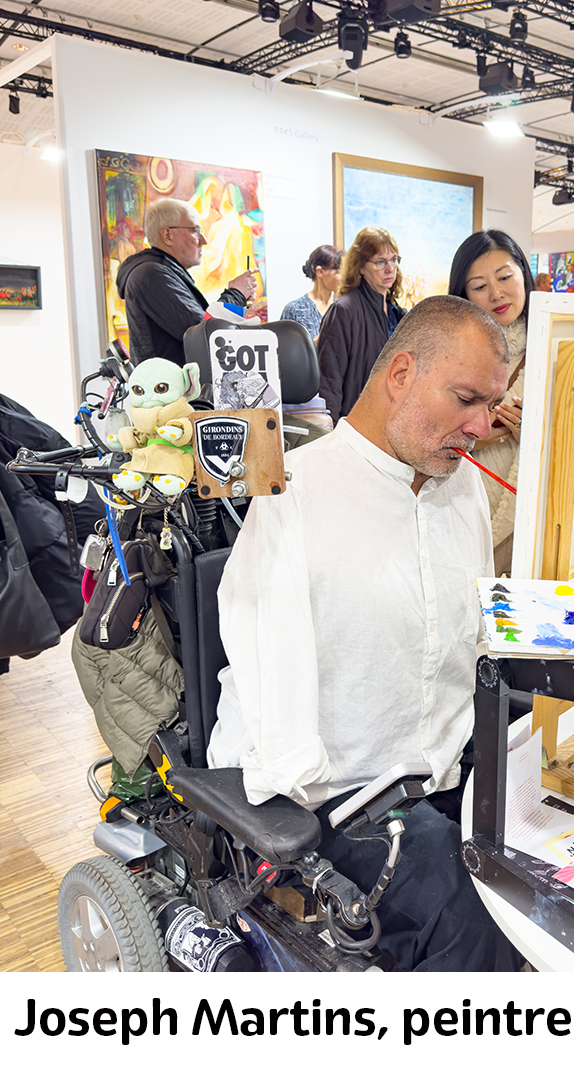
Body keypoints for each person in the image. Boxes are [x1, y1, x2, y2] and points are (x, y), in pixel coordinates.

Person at [207, 296, 522, 971]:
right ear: (401, 373)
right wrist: (304, 825)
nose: (481, 425)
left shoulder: (457, 483)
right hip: (339, 791)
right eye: (467, 398)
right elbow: (274, 680)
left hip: (442, 770)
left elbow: (469, 631)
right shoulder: (296, 494)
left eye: (493, 402)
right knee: (472, 919)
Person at [448, 229, 534, 575]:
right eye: (480, 286)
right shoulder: (450, 354)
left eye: (504, 277)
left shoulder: (560, 349)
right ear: (464, 294)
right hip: (464, 504)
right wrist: (492, 433)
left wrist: (535, 432)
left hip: (529, 517)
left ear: (523, 276)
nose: (496, 293)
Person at [116, 198, 257, 366]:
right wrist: (236, 294)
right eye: (195, 230)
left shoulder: (159, 272)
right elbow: (205, 335)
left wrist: (237, 297)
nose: (203, 240)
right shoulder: (151, 274)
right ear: (167, 235)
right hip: (171, 390)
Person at [316, 227, 406, 423]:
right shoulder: (344, 310)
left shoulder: (397, 313)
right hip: (355, 426)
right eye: (380, 262)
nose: (390, 268)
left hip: (391, 423)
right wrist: (330, 435)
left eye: (394, 260)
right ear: (361, 267)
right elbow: (330, 381)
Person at [280, 244, 344, 340]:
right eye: (339, 272)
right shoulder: (295, 309)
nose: (344, 278)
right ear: (320, 272)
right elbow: (284, 349)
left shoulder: (342, 307)